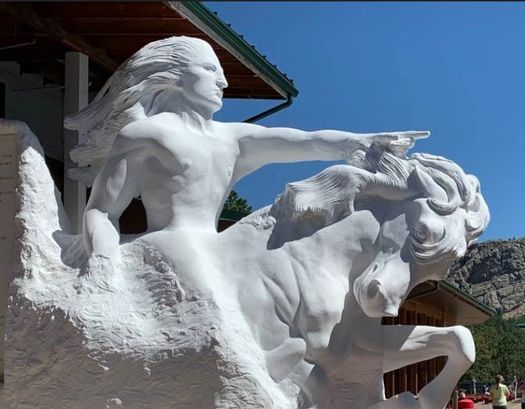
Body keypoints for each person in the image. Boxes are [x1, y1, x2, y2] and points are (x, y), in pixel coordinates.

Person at [64, 36, 428, 263]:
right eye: (209, 69)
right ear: (175, 75)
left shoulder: (234, 139)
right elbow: (101, 213)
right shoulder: (147, 134)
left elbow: (307, 140)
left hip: (215, 250)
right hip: (171, 252)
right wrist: (104, 264)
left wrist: (363, 141)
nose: (222, 81)